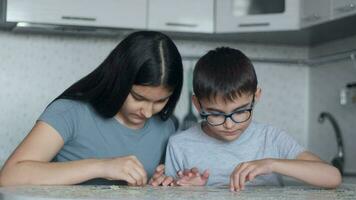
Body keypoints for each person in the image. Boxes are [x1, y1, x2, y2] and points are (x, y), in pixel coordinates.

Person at [0, 31, 183, 186]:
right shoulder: (69, 112)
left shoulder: (165, 127)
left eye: (161, 101)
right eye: (138, 97)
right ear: (118, 80)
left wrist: (160, 183)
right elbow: (9, 176)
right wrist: (101, 166)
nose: (148, 112)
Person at [164, 47, 342, 191]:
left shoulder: (271, 138)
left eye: (240, 111)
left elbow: (332, 176)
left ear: (256, 96)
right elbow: (169, 193)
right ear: (197, 104)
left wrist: (271, 164)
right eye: (216, 114)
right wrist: (189, 190)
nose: (229, 124)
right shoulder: (180, 145)